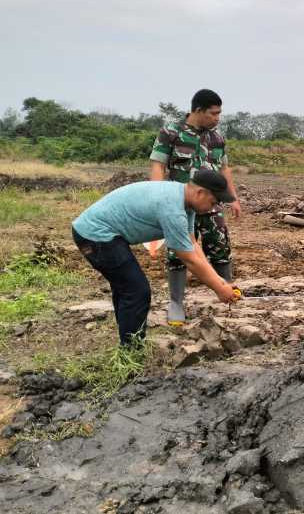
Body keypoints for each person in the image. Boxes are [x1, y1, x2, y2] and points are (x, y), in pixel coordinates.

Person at [72, 170, 239, 346]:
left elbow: (192, 244)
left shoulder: (184, 202)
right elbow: (188, 258)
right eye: (213, 202)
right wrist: (218, 290)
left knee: (127, 287)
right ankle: (131, 351)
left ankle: (128, 343)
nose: (213, 208)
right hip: (95, 235)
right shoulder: (172, 209)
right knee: (136, 290)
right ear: (200, 192)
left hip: (104, 235)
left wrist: (220, 281)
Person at [149, 89, 241, 325]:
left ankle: (227, 292)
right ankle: (176, 303)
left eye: (219, 113)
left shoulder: (217, 138)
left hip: (210, 203)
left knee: (220, 245)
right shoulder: (171, 132)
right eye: (213, 113)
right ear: (198, 110)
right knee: (178, 252)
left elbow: (224, 169)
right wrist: (156, 197)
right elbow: (158, 166)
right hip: (178, 204)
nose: (217, 118)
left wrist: (232, 198)